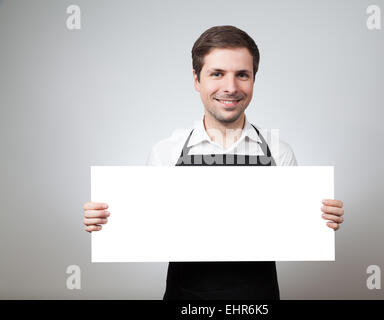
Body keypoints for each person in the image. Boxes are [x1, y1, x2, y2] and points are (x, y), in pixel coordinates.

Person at [83, 25, 345, 300]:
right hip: (185, 298)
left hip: (259, 300)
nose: (230, 88)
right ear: (197, 80)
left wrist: (323, 217)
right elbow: (143, 225)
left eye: (242, 75)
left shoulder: (279, 152)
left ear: (254, 80)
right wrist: (104, 219)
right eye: (217, 74)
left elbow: (297, 227)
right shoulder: (167, 152)